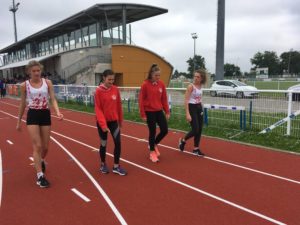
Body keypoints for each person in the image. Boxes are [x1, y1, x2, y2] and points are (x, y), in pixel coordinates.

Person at [16, 60, 63, 188]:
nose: (36, 73)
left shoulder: (47, 83)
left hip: (45, 114)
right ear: (29, 72)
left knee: (46, 147)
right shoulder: (24, 85)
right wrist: (19, 120)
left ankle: (41, 160)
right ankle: (40, 176)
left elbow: (52, 98)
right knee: (37, 145)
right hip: (32, 115)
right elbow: (22, 103)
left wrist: (58, 112)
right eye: (34, 71)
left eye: (38, 70)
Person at [94, 69, 127, 176]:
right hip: (102, 123)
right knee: (104, 144)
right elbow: (98, 109)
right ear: (104, 78)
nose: (111, 81)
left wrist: (120, 121)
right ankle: (103, 164)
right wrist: (103, 125)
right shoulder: (98, 91)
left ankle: (116, 166)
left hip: (114, 122)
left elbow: (118, 106)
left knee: (118, 143)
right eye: (109, 79)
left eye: (113, 79)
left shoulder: (115, 89)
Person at [139, 64, 170, 162]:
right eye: (156, 75)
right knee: (152, 132)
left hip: (159, 111)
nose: (158, 77)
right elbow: (141, 100)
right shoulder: (145, 85)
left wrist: (167, 111)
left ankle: (153, 144)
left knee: (165, 130)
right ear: (151, 74)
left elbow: (164, 99)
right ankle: (152, 152)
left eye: (159, 75)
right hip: (149, 112)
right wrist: (143, 114)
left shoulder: (161, 84)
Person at [178, 69, 207, 156]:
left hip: (199, 107)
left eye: (198, 77)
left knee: (200, 129)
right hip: (191, 107)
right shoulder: (191, 86)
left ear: (202, 78)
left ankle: (196, 149)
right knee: (195, 129)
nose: (195, 78)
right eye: (195, 76)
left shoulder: (201, 86)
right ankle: (183, 140)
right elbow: (186, 100)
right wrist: (187, 113)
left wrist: (201, 108)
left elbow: (199, 98)